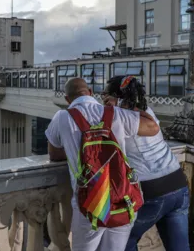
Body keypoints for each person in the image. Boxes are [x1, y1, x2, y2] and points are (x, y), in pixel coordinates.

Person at [45, 77, 159, 251]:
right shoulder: (115, 112)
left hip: (90, 204)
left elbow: (54, 154)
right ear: (90, 92)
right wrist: (122, 103)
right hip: (121, 199)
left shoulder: (62, 117)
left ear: (67, 99)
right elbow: (153, 127)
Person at [102, 75, 190, 251]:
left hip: (151, 190)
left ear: (113, 96)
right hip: (178, 184)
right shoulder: (146, 111)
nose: (101, 98)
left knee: (122, 241)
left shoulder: (117, 117)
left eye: (104, 94)